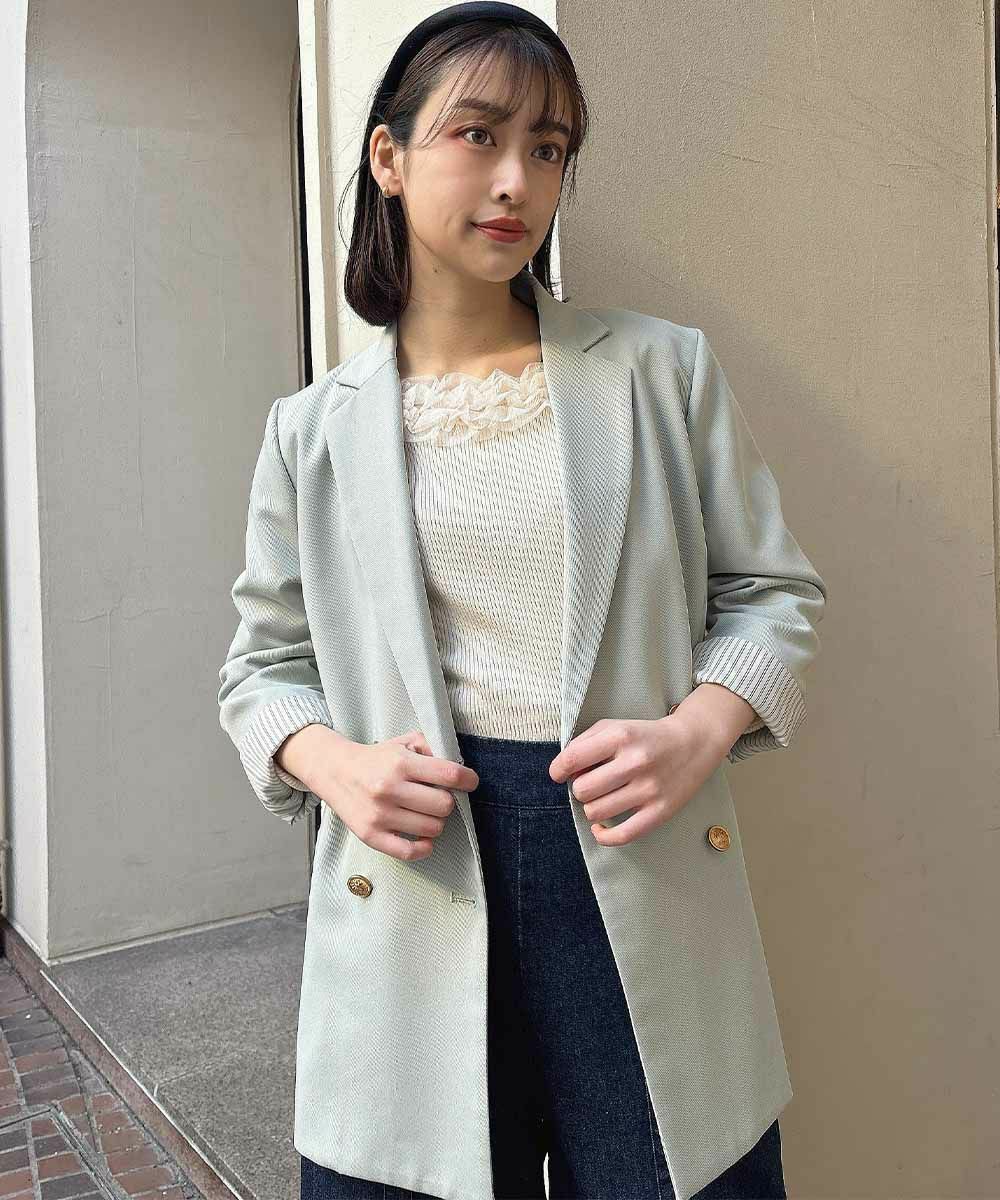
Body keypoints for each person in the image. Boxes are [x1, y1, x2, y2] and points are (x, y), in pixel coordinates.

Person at [217, 4, 827, 1199]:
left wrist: (697, 731)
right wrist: (335, 767)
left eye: (547, 148)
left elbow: (771, 594)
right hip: (412, 881)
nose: (516, 181)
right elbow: (260, 667)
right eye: (478, 134)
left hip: (635, 869)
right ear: (388, 157)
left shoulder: (657, 370)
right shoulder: (312, 431)